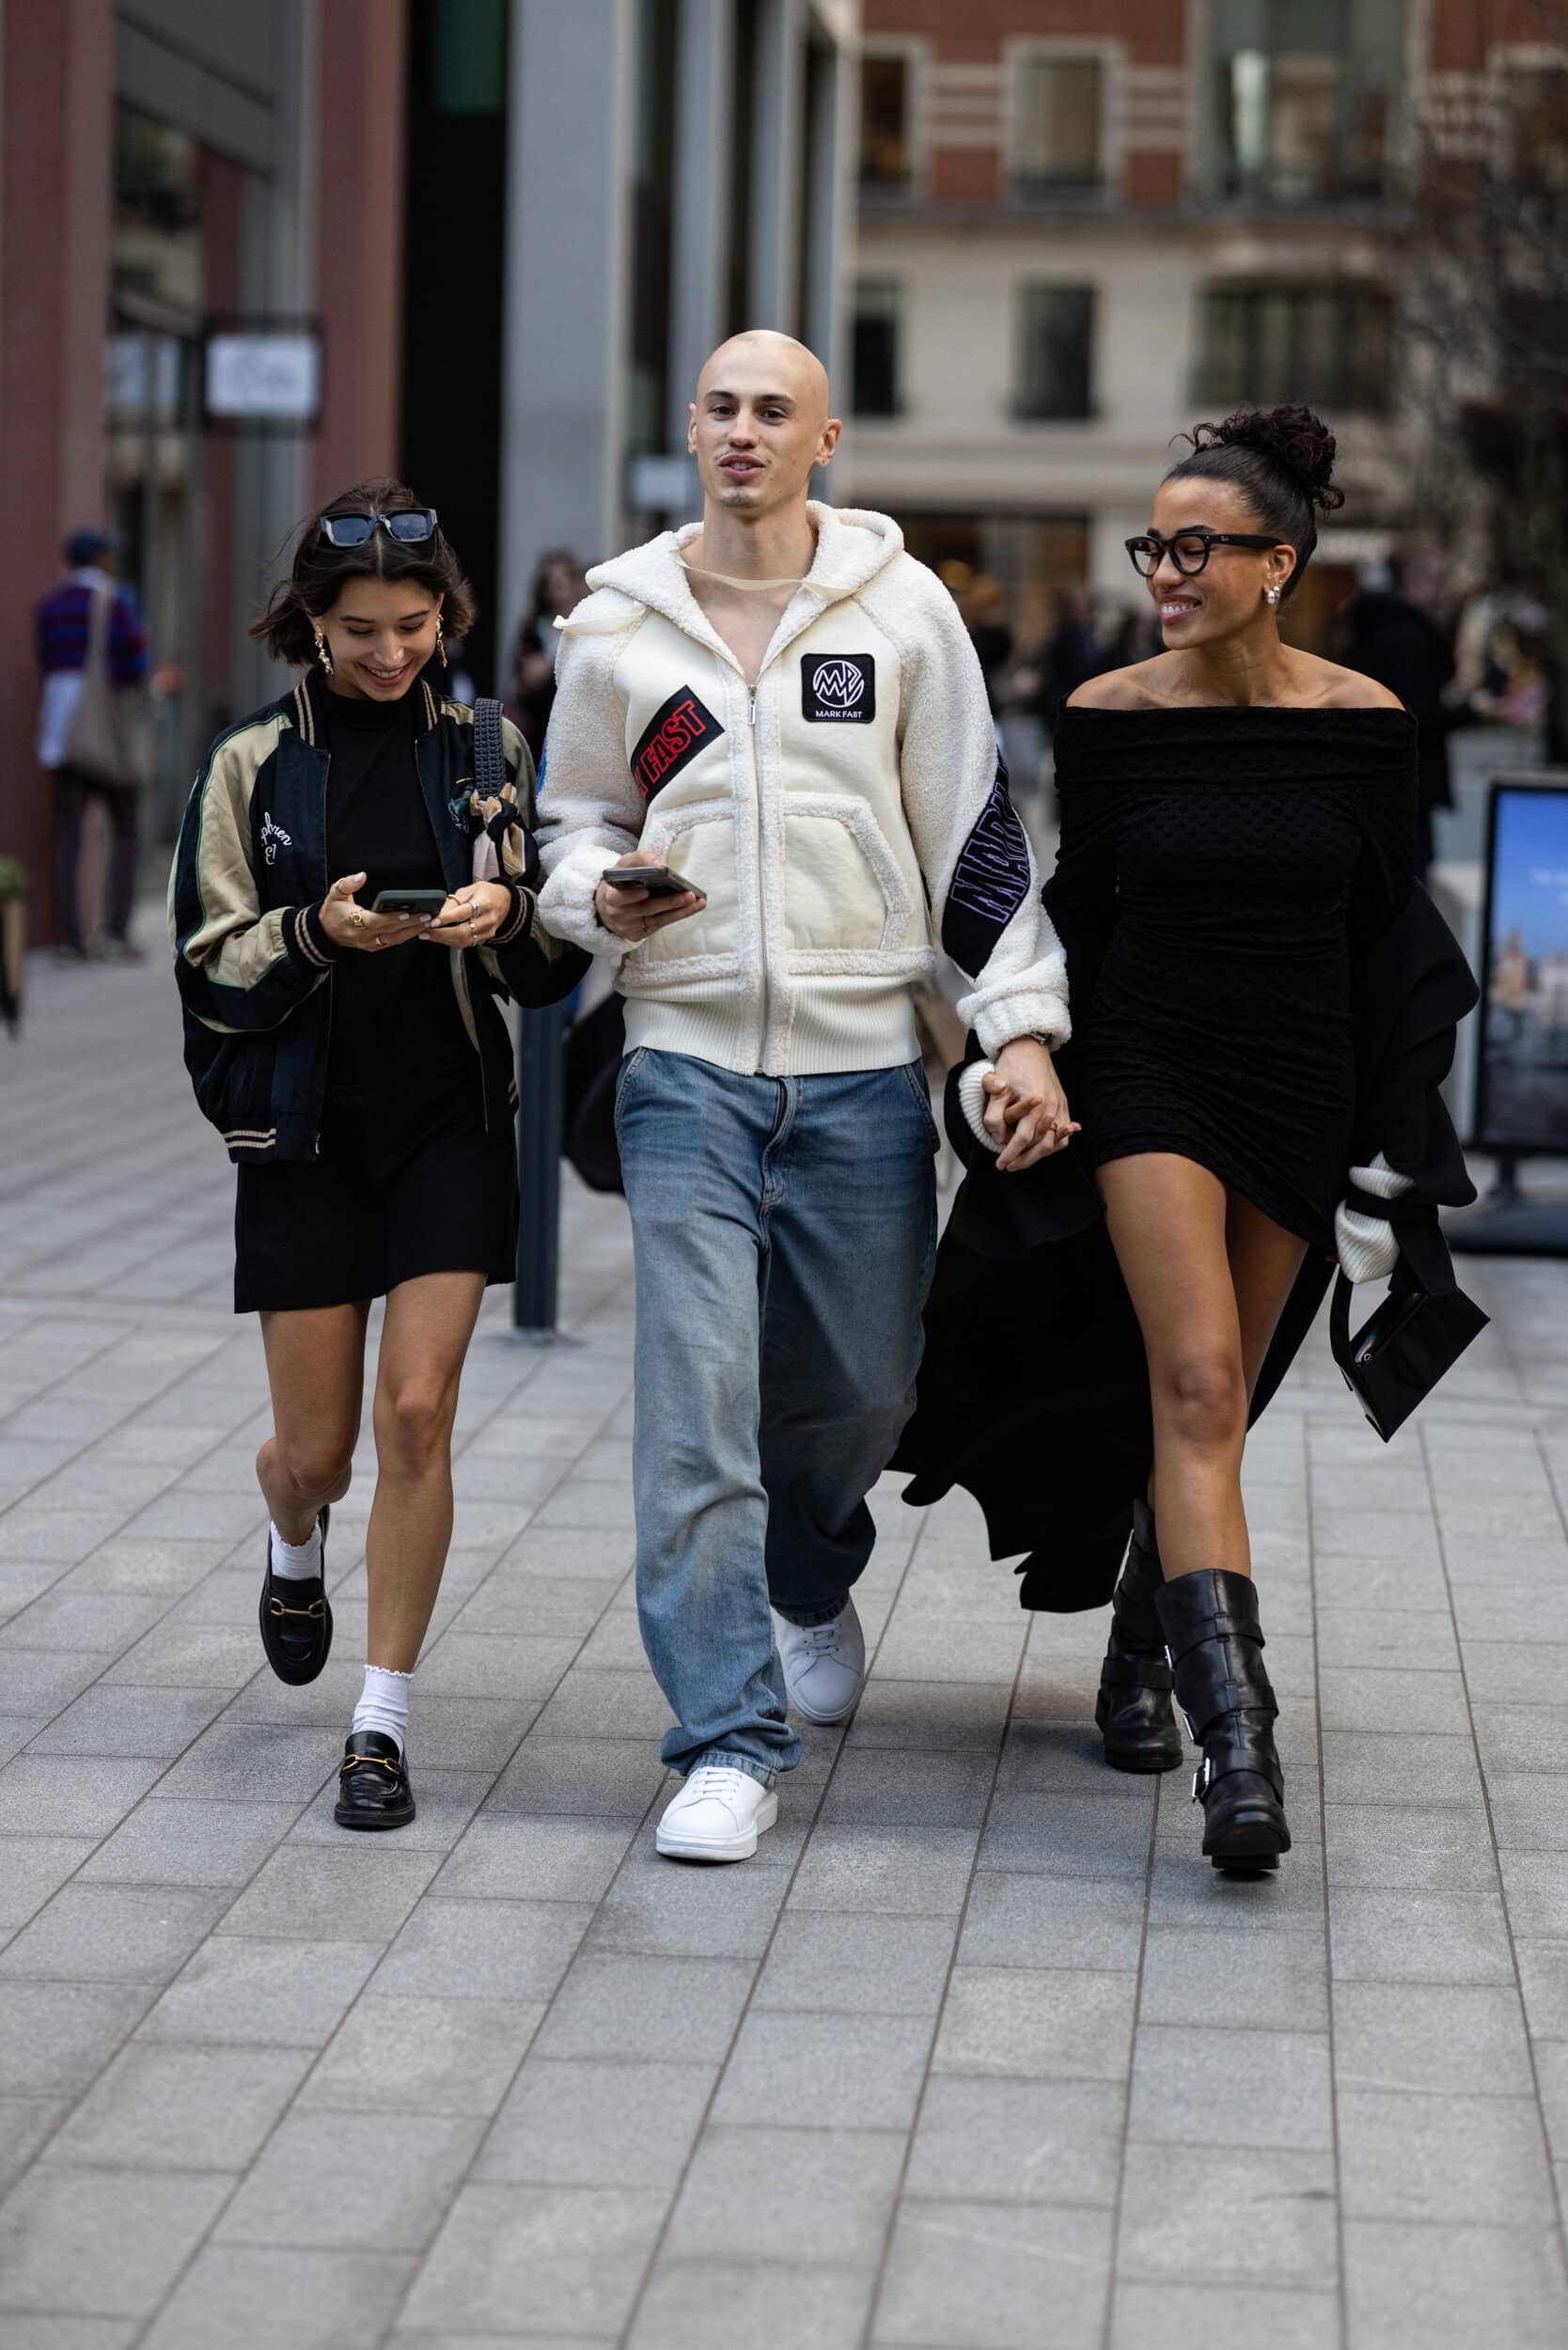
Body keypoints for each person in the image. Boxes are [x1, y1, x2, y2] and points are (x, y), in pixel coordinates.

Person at [897, 404, 1478, 1875]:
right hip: (1150, 1071)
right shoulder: (1105, 718)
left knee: (1225, 1398)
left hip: (1301, 1083)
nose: (1166, 569)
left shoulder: (1366, 724)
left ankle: (1141, 1647)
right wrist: (1024, 1057)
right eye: (1153, 545)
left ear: (1278, 563)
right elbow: (1076, 918)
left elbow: (1385, 935)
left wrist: (1394, 1150)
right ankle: (1241, 1750)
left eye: (1197, 547)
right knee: (1201, 1373)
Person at [537, 330, 1074, 1863]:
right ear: (691, 427)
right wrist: (592, 892)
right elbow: (573, 818)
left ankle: (808, 1566)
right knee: (696, 1409)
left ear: (823, 439)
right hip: (683, 1064)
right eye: (721, 407)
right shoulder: (617, 624)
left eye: (774, 410)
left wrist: (1019, 1029)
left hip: (862, 1073)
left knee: (860, 1392)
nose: (744, 431)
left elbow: (972, 835)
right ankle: (725, 1739)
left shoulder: (901, 611)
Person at [169, 479, 580, 1830]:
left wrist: (505, 911)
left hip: (448, 1122)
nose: (391, 652)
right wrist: (319, 935)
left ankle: (381, 1723)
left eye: (413, 626)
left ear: (446, 616)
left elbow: (545, 965)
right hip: (306, 1134)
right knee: (319, 1453)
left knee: (417, 1414)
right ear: (310, 623)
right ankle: (291, 1530)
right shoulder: (250, 765)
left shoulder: (486, 749)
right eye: (359, 630)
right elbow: (207, 965)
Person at [36, 526, 149, 961]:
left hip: (62, 735)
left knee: (68, 835)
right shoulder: (114, 599)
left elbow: (45, 659)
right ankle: (115, 931)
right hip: (107, 739)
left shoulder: (52, 604)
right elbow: (134, 660)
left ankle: (69, 937)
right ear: (99, 558)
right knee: (126, 832)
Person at [1338, 558, 1457, 875]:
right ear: (1413, 581)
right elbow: (1415, 713)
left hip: (1368, 775)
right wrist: (1469, 712)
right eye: (1437, 583)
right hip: (1408, 777)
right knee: (1411, 876)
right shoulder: (1410, 635)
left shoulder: (1370, 625)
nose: (1442, 593)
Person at [510, 548, 590, 763]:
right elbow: (521, 676)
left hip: (574, 722)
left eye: (562, 584)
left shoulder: (585, 625)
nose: (557, 592)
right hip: (539, 721)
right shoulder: (534, 628)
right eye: (551, 585)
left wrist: (547, 665)